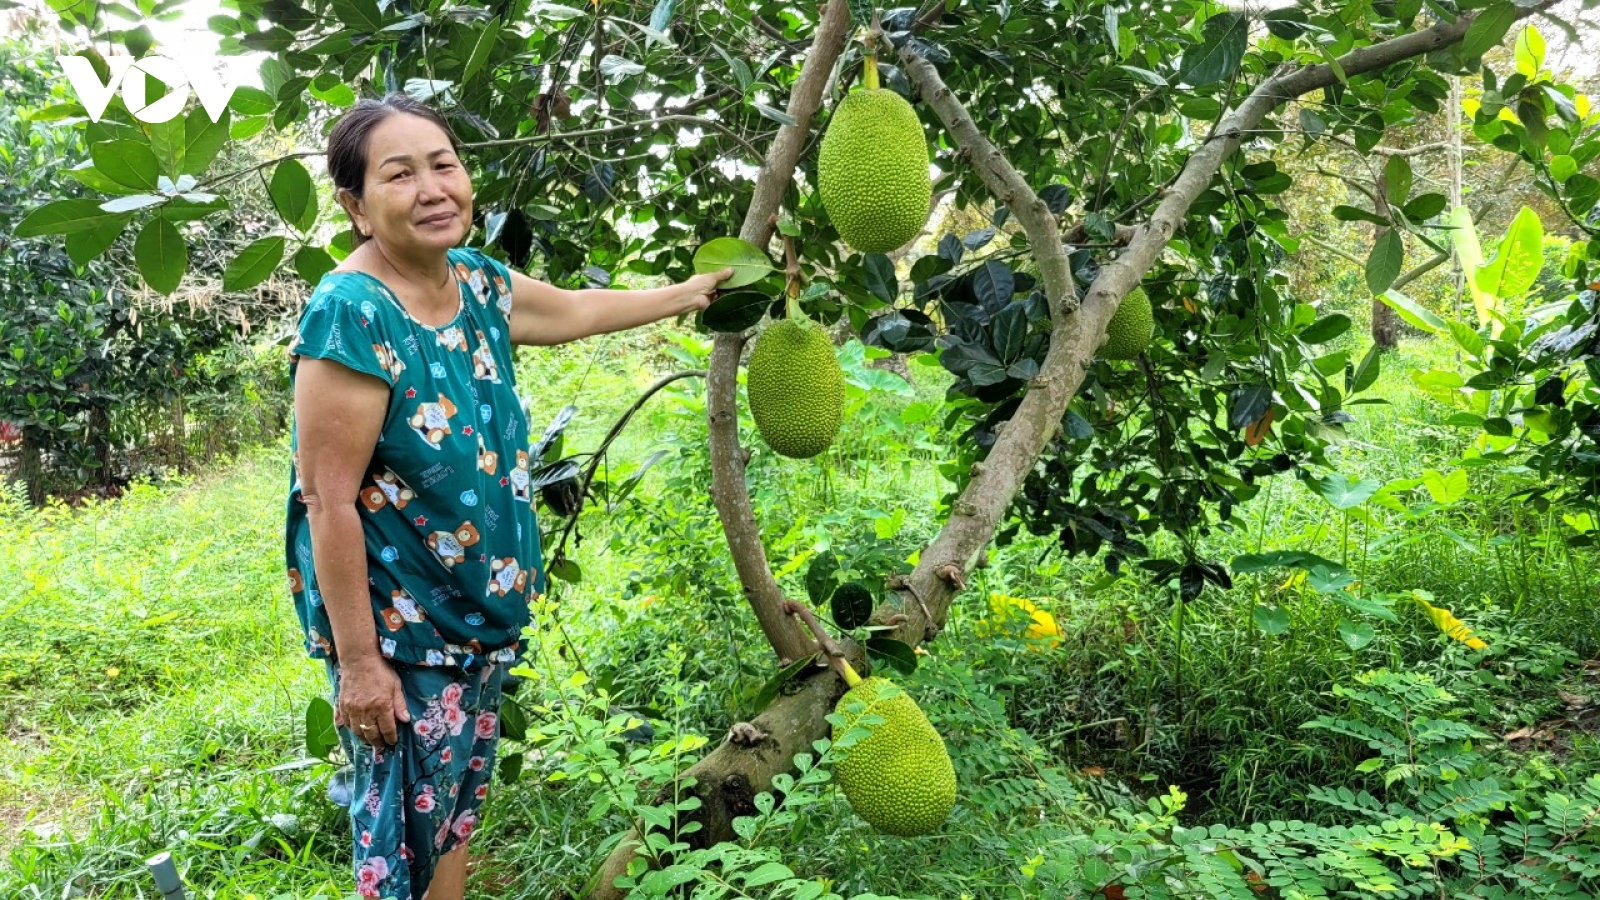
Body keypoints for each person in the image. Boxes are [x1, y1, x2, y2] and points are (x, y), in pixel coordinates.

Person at [283, 94, 731, 900]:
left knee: (449, 813)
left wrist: (688, 293)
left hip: (480, 618)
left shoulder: (476, 282)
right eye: (400, 174)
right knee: (402, 844)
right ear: (355, 206)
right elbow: (328, 501)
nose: (431, 188)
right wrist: (359, 664)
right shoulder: (351, 315)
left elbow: (578, 309)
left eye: (443, 164)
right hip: (405, 637)